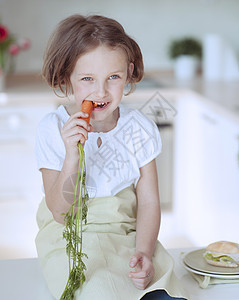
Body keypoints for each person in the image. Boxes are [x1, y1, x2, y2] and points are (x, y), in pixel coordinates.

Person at [35, 14, 188, 300]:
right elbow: (59, 212)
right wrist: (72, 155)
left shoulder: (139, 128)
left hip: (127, 233)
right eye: (87, 78)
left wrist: (143, 250)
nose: (101, 91)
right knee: (98, 289)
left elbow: (149, 201)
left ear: (129, 73)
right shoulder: (53, 129)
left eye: (113, 77)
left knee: (159, 283)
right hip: (70, 237)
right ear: (68, 76)